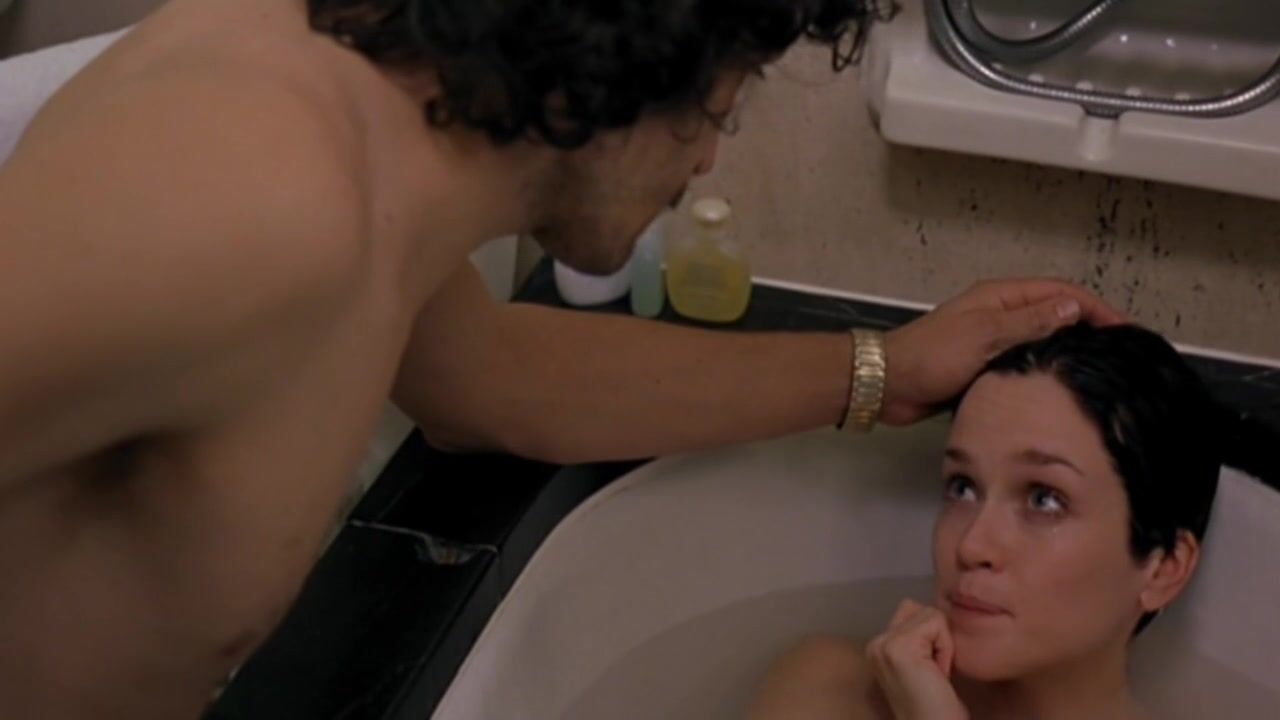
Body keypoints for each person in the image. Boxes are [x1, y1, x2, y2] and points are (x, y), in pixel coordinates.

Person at [0, 0, 1123, 716]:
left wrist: (883, 369)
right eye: (722, 105)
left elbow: (491, 383)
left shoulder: (355, 140)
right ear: (636, 44)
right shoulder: (262, 206)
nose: (706, 158)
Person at [748, 324, 1223, 720]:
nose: (972, 545)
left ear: (1163, 569)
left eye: (1044, 499)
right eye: (962, 487)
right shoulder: (834, 690)